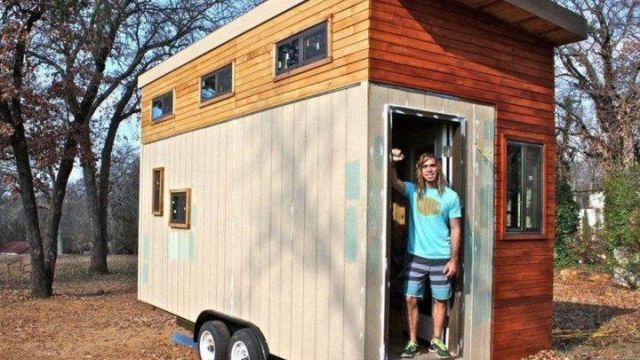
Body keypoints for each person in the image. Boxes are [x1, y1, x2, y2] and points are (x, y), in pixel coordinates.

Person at [390, 149, 462, 359]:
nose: (429, 170)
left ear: (438, 168)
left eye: (433, 165)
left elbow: (456, 228)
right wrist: (391, 161)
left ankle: (436, 340)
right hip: (416, 257)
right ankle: (412, 341)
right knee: (410, 298)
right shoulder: (413, 191)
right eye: (425, 166)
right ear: (419, 171)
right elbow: (393, 181)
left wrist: (454, 259)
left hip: (441, 258)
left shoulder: (451, 196)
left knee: (440, 300)